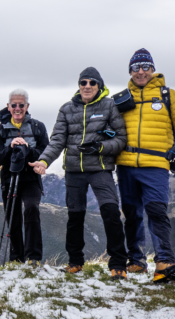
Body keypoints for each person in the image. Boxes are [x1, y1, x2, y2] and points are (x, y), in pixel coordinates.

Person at [29, 67, 128, 280]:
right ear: (79, 85)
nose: (87, 86)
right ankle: (75, 262)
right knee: (75, 216)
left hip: (100, 169)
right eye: (83, 82)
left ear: (99, 85)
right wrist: (44, 160)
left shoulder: (110, 106)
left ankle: (118, 263)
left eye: (92, 82)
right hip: (74, 171)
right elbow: (57, 140)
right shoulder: (66, 109)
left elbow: (121, 139)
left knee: (111, 212)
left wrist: (99, 147)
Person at [114, 49, 175, 283]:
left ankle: (165, 263)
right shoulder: (120, 99)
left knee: (157, 212)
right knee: (131, 214)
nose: (141, 72)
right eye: (136, 68)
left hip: (156, 164)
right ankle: (136, 260)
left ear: (153, 69)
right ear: (130, 71)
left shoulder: (168, 96)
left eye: (145, 67)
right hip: (126, 165)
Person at [0, 89, 49, 264]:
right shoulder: (0, 130)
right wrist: (10, 147)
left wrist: (27, 149)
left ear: (27, 106)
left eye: (21, 105)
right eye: (14, 105)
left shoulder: (38, 127)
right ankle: (16, 258)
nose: (17, 108)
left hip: (31, 179)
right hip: (9, 178)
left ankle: (33, 257)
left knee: (32, 209)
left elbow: (46, 152)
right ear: (8, 107)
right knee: (13, 217)